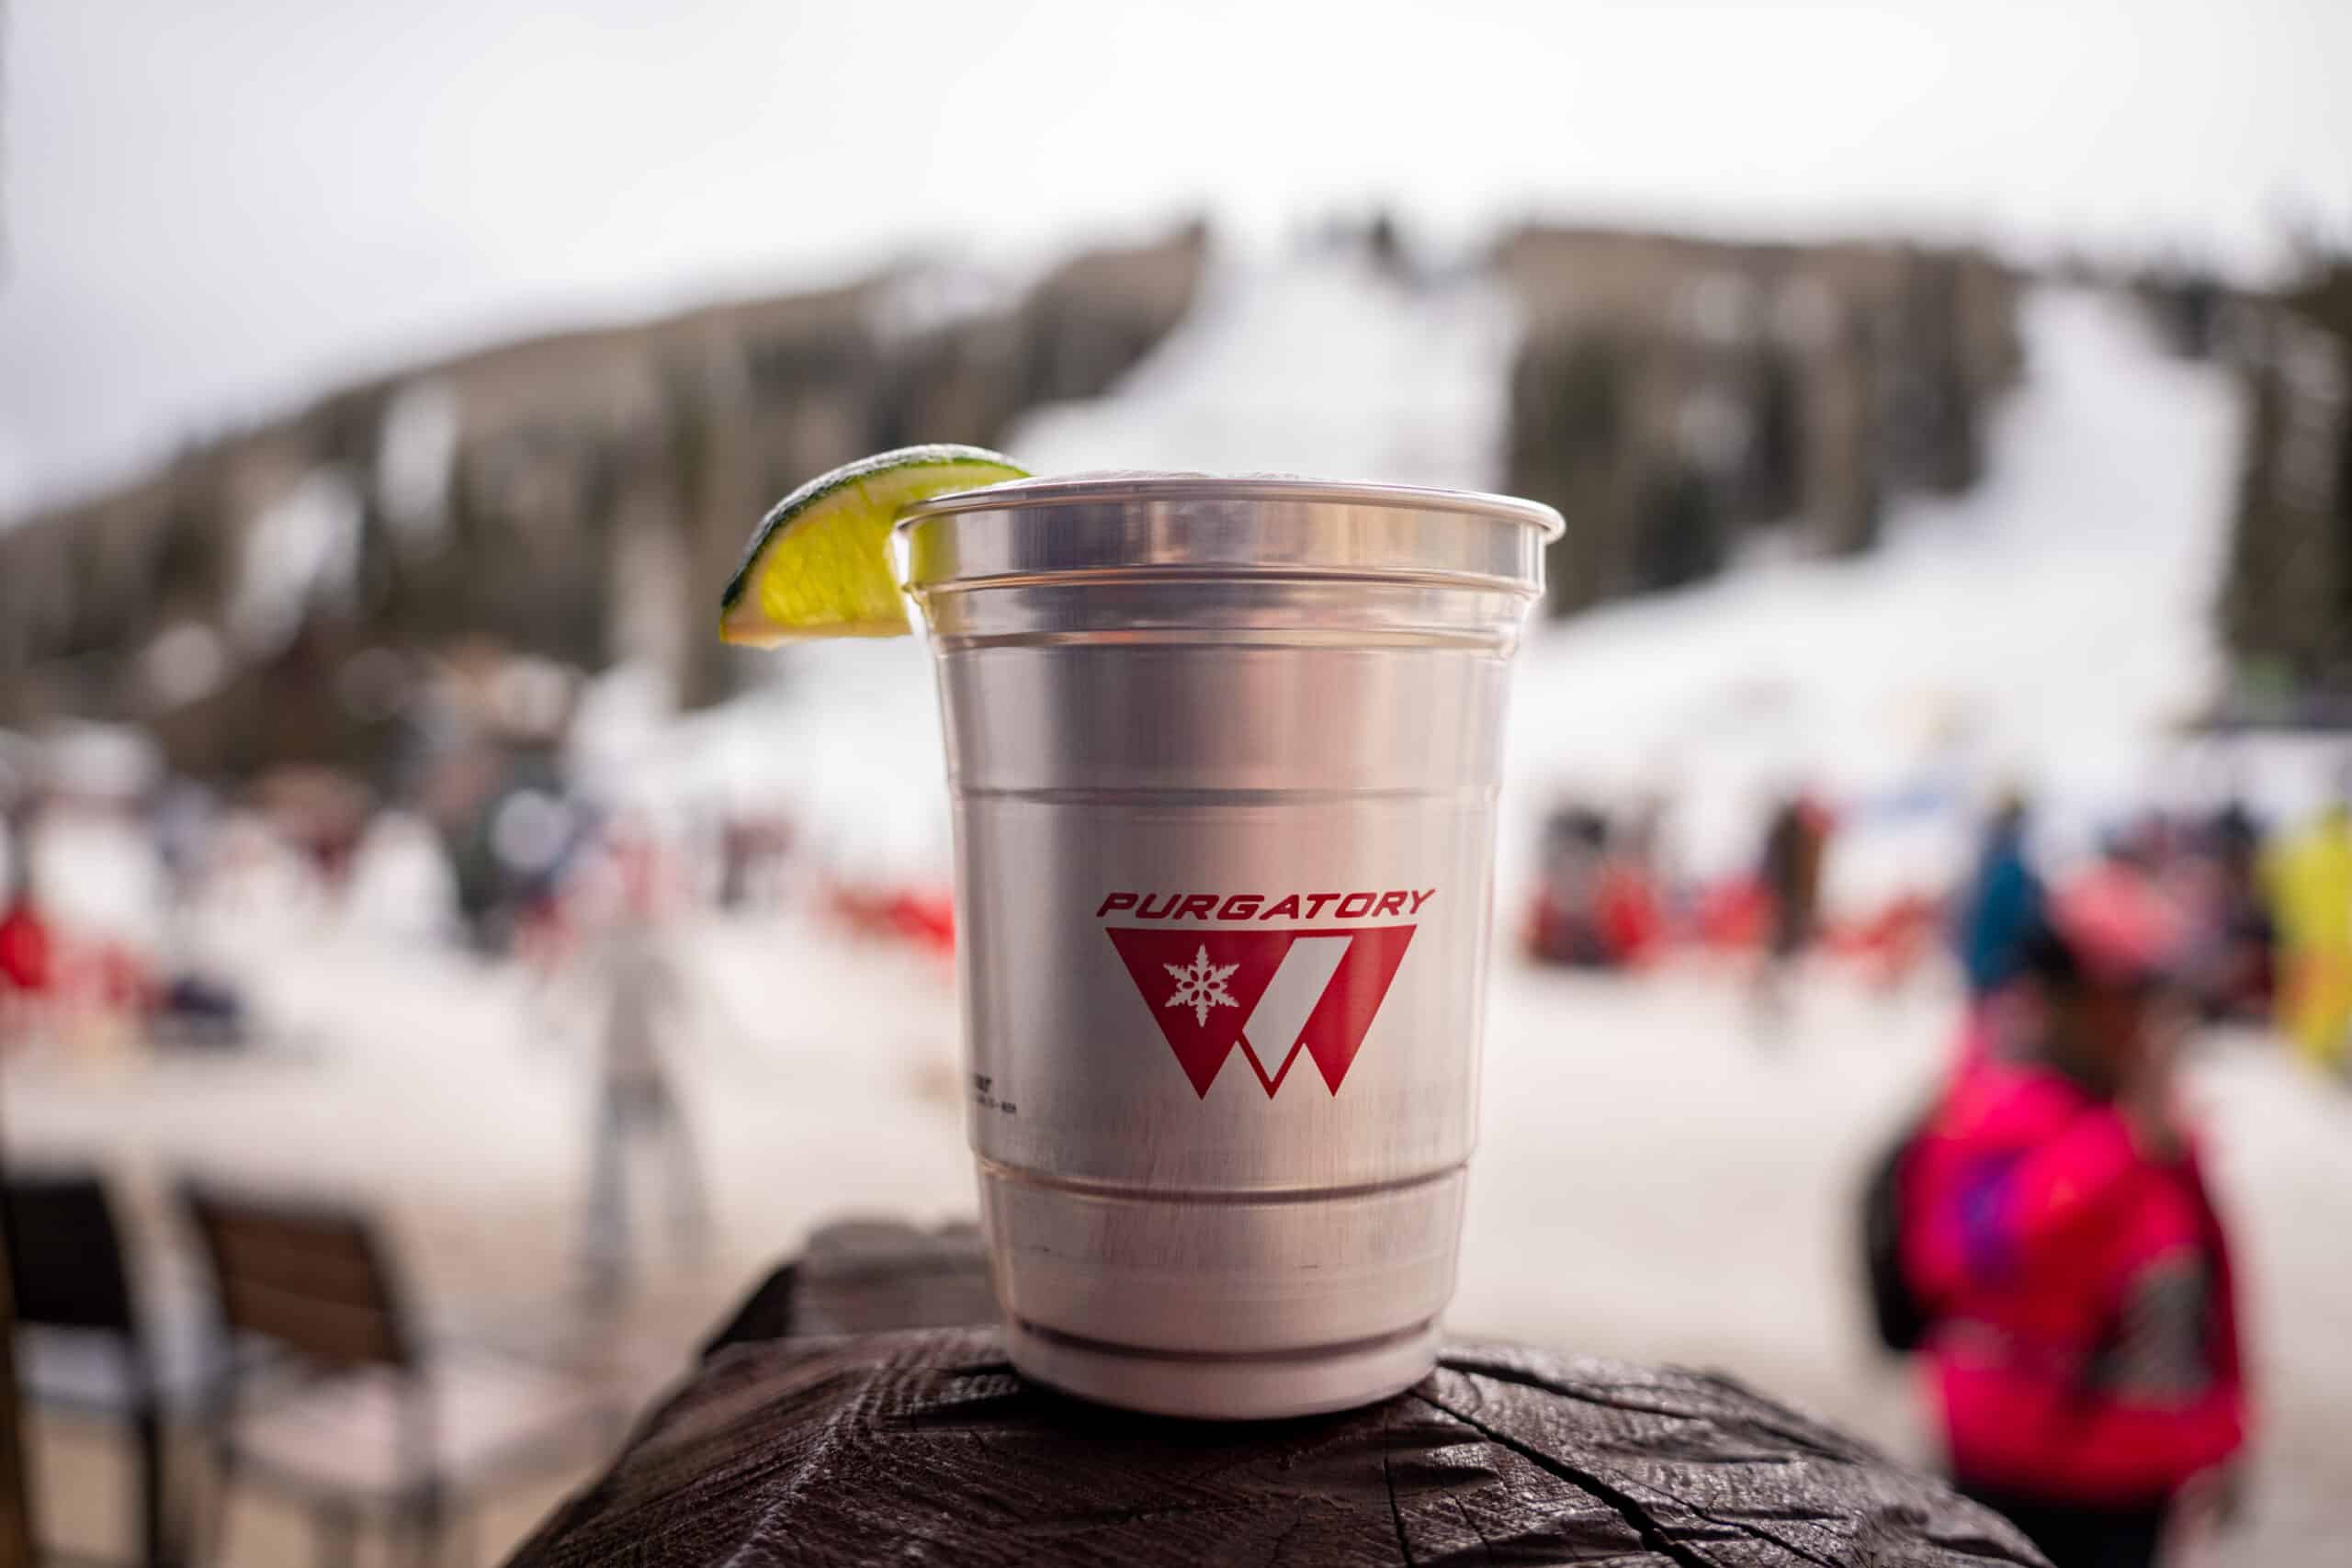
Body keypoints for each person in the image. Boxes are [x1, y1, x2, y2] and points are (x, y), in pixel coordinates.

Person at [1904, 876, 2249, 1568]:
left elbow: (2213, 1286)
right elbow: (1972, 1253)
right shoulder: (1992, 1110)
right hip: (2009, 1456)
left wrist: (2227, 1428)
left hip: (2136, 1469)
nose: (2151, 1020)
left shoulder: (2157, 1132)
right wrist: (2121, 1147)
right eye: (2135, 996)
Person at [2265, 794, 2352, 1077]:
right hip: (2334, 937)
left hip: (2302, 933)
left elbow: (2272, 885)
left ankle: (2306, 1048)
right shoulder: (2341, 851)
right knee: (2329, 996)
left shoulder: (2300, 849)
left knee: (2303, 990)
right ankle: (2319, 1051)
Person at [1952, 795, 2044, 1000]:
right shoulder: (2008, 868)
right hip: (1996, 966)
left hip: (1986, 963)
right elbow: (2018, 917)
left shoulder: (1990, 862)